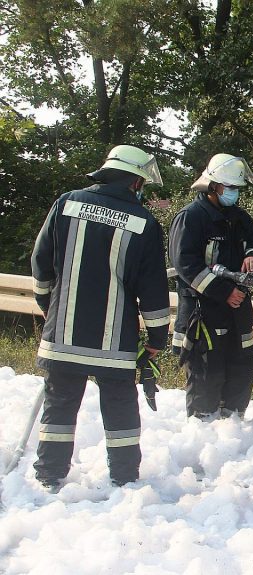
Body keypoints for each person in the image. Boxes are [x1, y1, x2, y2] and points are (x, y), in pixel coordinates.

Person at [30, 145, 170, 491]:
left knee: (59, 405)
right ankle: (124, 478)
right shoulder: (144, 223)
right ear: (136, 182)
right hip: (114, 343)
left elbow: (41, 260)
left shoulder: (67, 203)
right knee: (121, 407)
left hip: (63, 334)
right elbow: (152, 289)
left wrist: (47, 303)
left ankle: (50, 475)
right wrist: (156, 339)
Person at [169, 153, 253, 420]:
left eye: (237, 188)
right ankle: (205, 437)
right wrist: (224, 292)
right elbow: (185, 264)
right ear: (213, 186)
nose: (234, 193)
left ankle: (234, 431)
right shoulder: (192, 217)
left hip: (238, 313)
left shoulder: (237, 217)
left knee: (241, 371)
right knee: (206, 377)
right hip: (204, 313)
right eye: (231, 187)